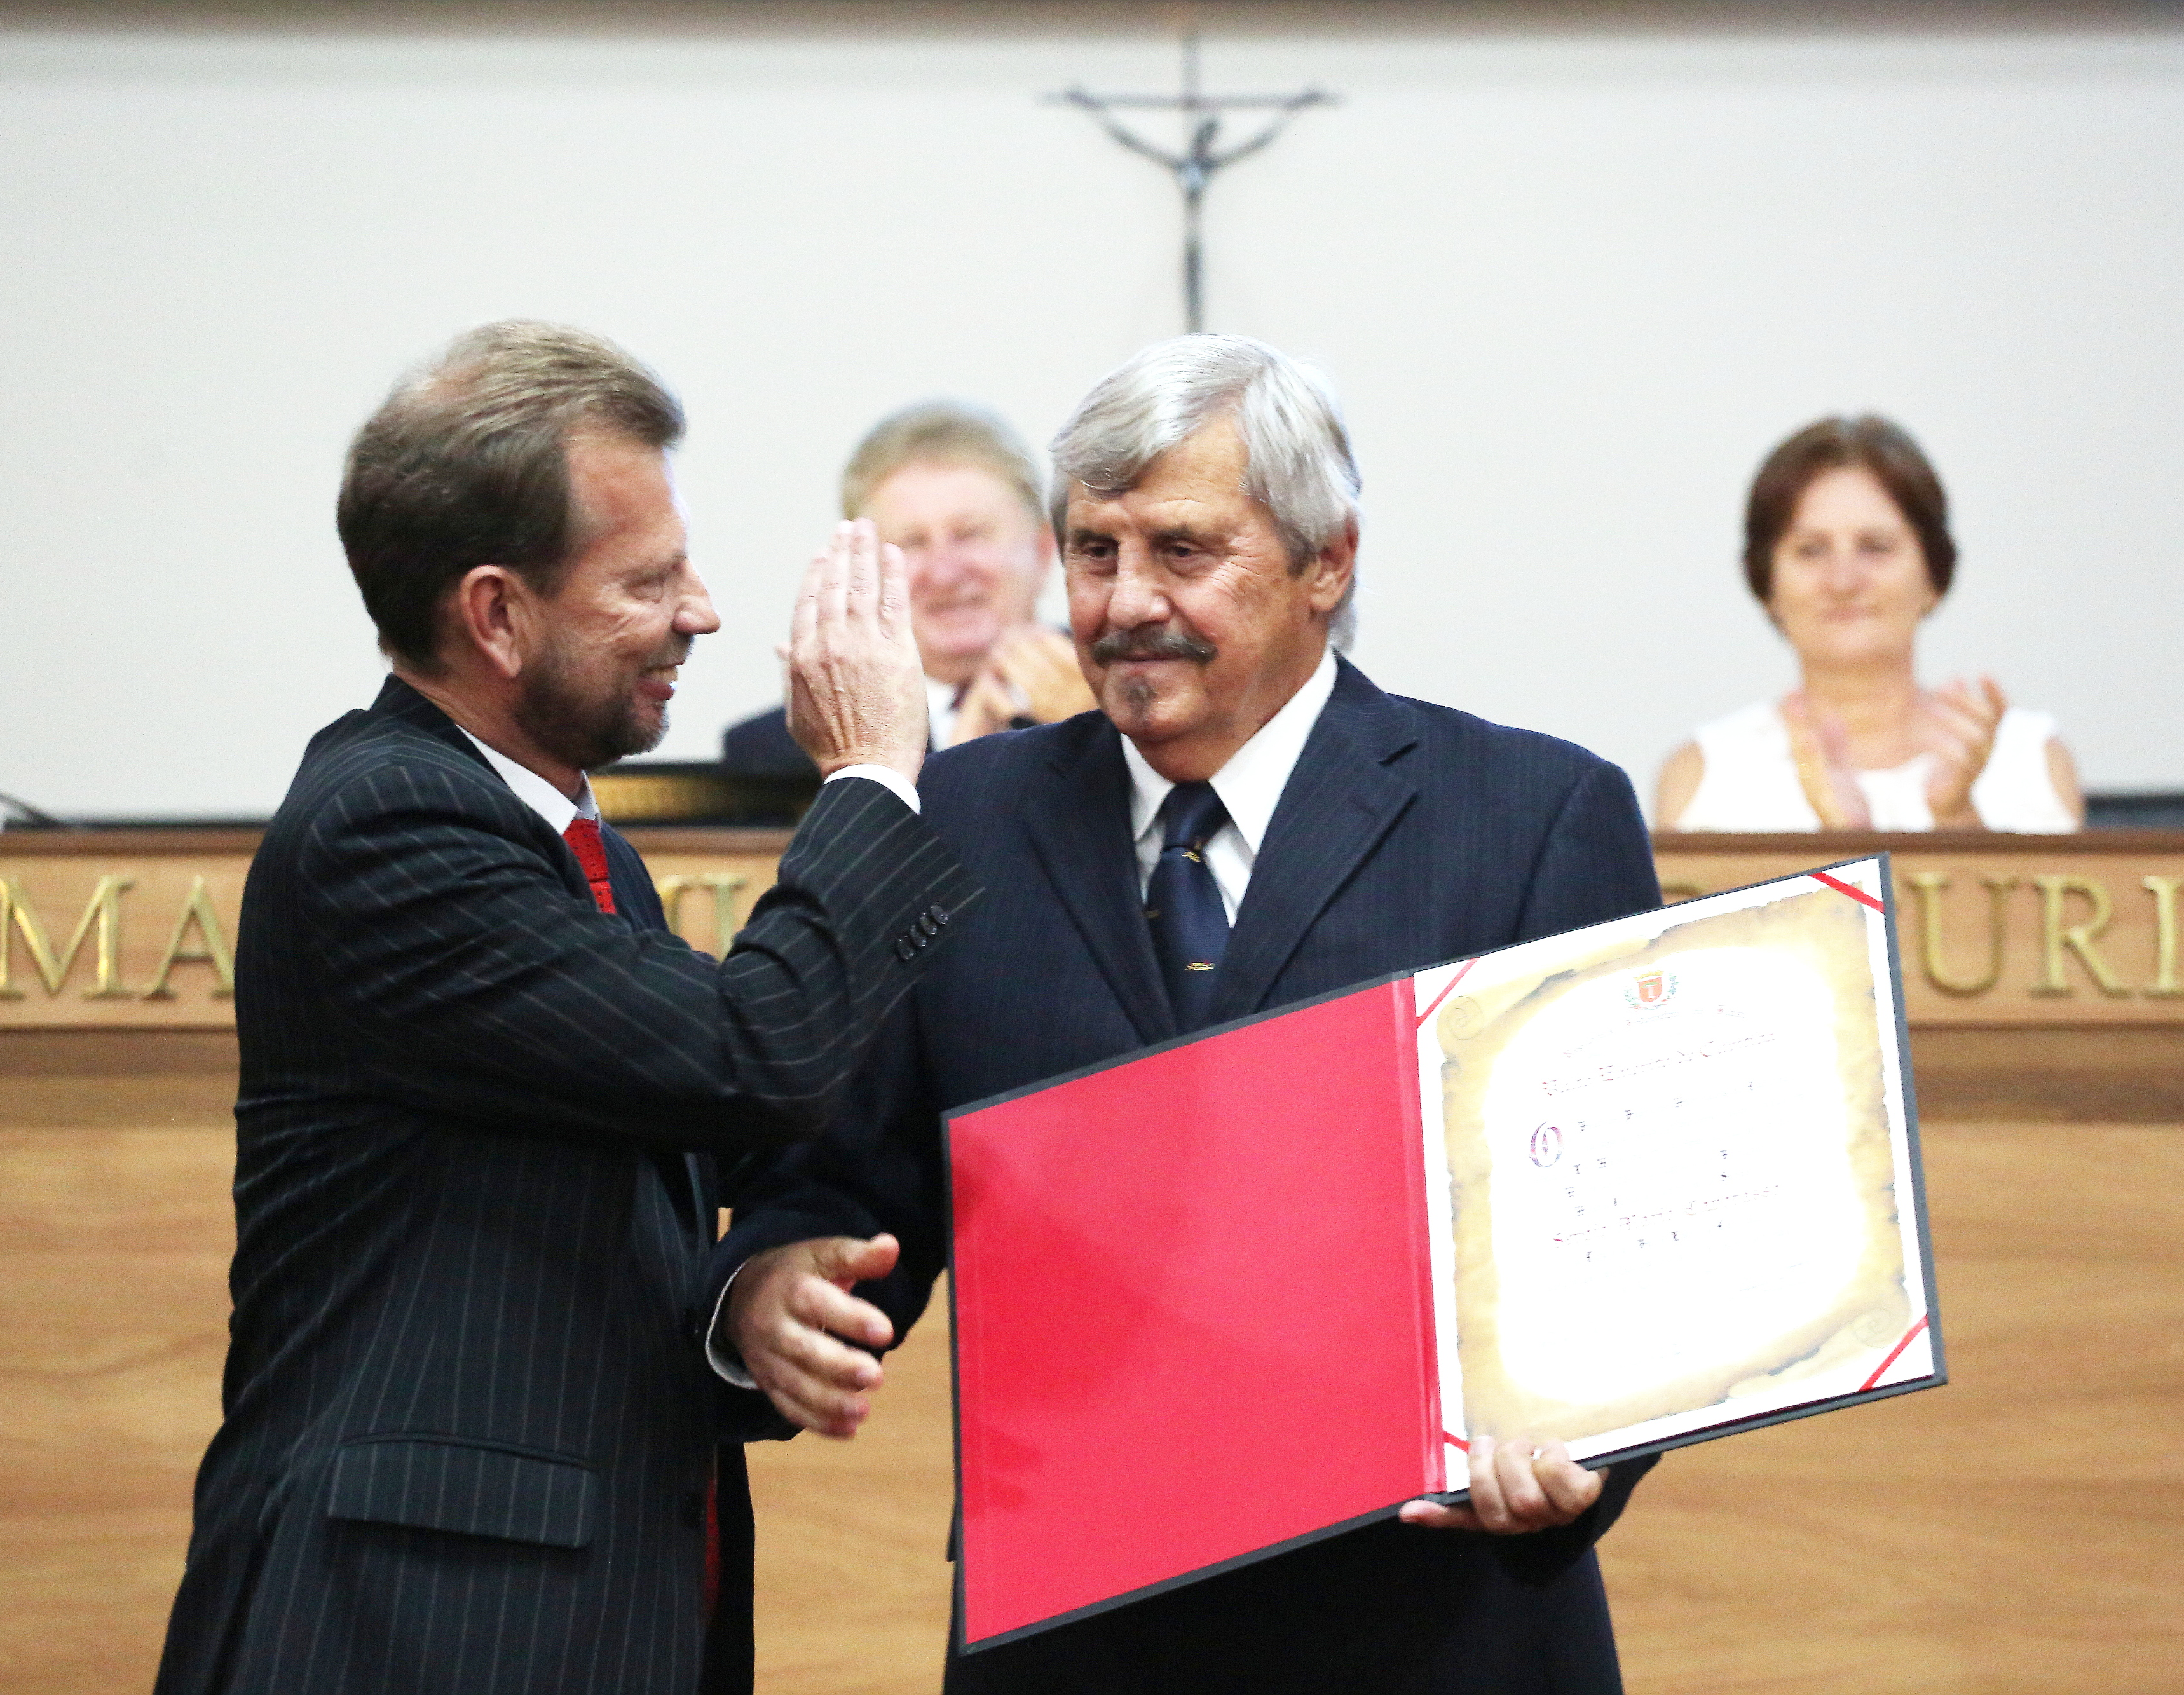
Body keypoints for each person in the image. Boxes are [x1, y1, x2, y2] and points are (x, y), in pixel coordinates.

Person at [708, 335, 1661, 1694]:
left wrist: (1583, 1449)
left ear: (1327, 557)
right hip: (1071, 1637)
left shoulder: (1528, 814)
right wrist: (772, 1286)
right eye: (1092, 552)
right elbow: (837, 1177)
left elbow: (1619, 1231)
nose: (1123, 602)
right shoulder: (957, 816)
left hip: (1431, 1623)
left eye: (1180, 549)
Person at [152, 322, 974, 1695]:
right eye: (648, 580)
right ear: (496, 612)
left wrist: (743, 1305)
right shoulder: (388, 825)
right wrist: (874, 774)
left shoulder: (570, 847)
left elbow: (633, 1216)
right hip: (402, 1633)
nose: (703, 612)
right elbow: (758, 1051)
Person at [1656, 414, 2083, 832]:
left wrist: (1957, 819)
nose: (1843, 581)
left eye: (1876, 547)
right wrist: (1848, 843)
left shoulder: (2031, 761)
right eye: (1810, 550)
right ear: (1768, 584)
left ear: (1933, 575)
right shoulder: (1703, 777)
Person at [719, 401, 1096, 775]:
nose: (944, 573)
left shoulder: (1117, 699)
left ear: (1045, 550)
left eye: (969, 535)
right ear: (863, 572)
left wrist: (1099, 733)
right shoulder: (781, 750)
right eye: (913, 543)